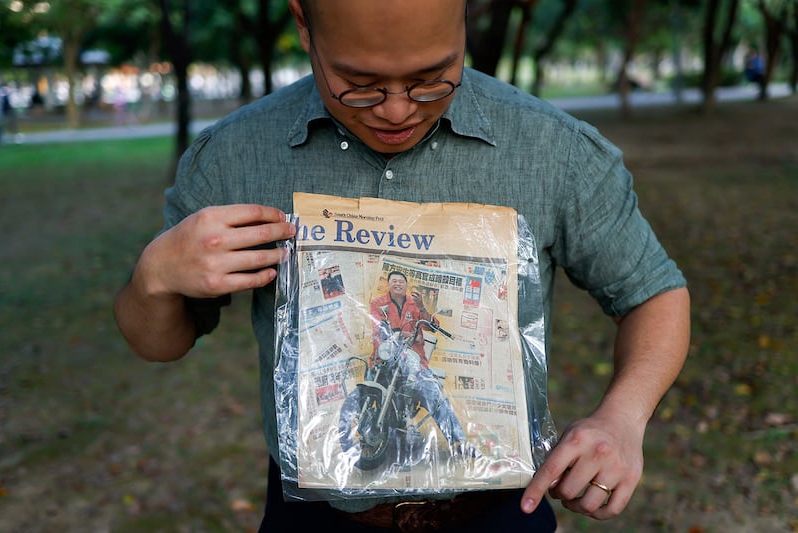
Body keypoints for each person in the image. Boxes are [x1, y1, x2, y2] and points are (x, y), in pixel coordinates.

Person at [113, 0, 690, 531]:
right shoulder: (234, 158)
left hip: (502, 513)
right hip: (319, 518)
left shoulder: (551, 150)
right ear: (303, 23)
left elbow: (653, 293)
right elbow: (160, 342)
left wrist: (623, 417)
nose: (396, 110)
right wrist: (155, 278)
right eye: (358, 85)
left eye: (431, 77)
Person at [368, 270, 467, 452]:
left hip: (414, 363)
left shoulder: (415, 305)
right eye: (394, 281)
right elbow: (378, 328)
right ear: (388, 284)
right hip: (385, 359)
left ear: (406, 286)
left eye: (401, 281)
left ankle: (459, 442)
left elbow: (434, 326)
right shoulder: (378, 304)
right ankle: (365, 424)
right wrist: (402, 334)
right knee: (367, 387)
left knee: (434, 394)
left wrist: (422, 307)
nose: (398, 283)